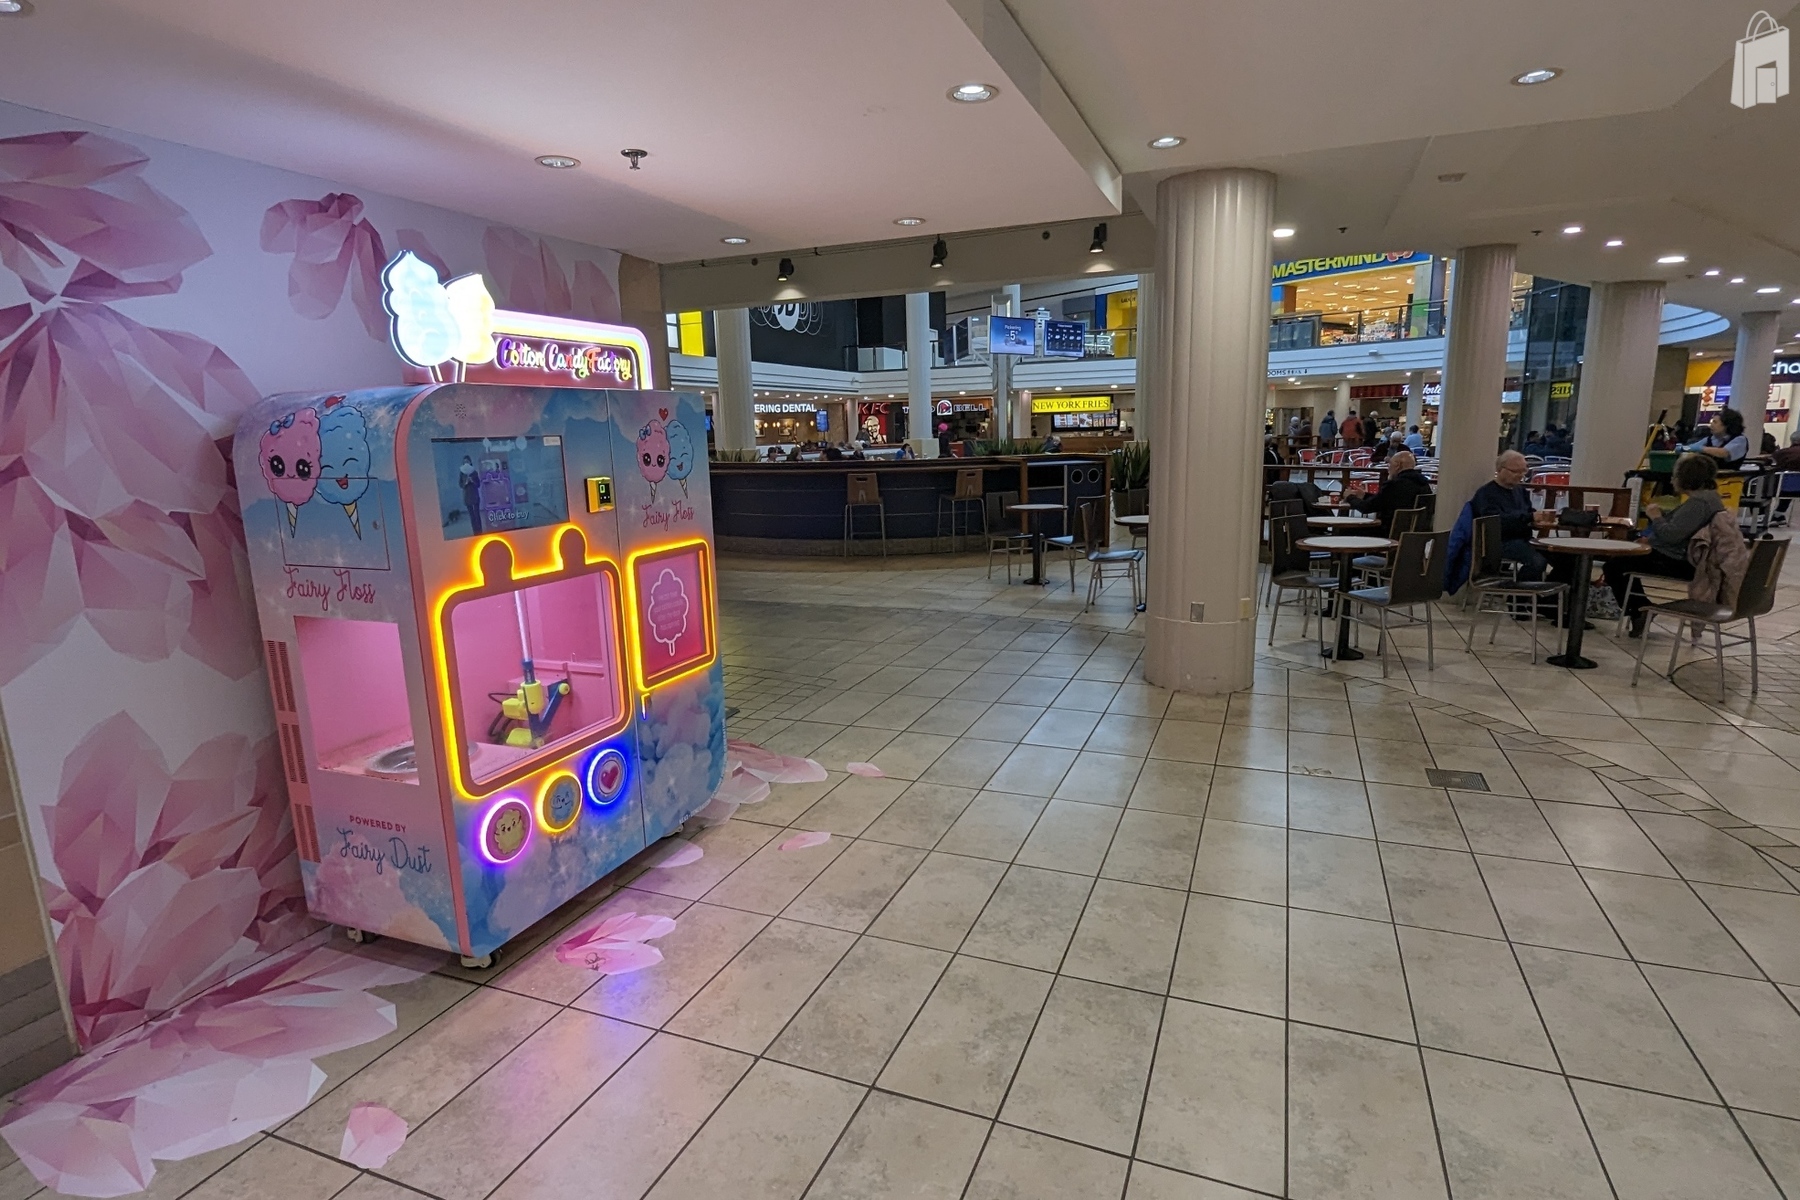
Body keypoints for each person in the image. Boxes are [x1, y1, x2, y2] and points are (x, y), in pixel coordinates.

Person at [1604, 453, 1725, 637]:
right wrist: (1650, 540)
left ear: (1685, 479)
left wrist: (1656, 517)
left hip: (1681, 562)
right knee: (1623, 560)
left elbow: (1672, 535)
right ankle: (1641, 610)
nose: (1672, 479)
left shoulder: (1698, 503)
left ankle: (1640, 610)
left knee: (1615, 565)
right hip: (1685, 556)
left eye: (1675, 475)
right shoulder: (1710, 499)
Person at [1472, 450, 1557, 580]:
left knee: (1566, 559)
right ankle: (1518, 596)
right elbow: (1496, 523)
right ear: (1500, 469)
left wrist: (1538, 520)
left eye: (1523, 472)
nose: (1520, 476)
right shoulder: (1487, 493)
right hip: (1500, 542)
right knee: (1537, 562)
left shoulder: (1520, 491)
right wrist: (1530, 517)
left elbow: (1528, 512)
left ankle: (1551, 597)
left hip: (1523, 539)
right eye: (1515, 471)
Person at [1346, 449, 1434, 536]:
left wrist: (1350, 497)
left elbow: (1366, 507)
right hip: (1414, 535)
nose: (1388, 468)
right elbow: (1385, 500)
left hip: (1388, 533)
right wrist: (1365, 495)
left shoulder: (1394, 485)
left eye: (1390, 464)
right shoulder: (1423, 484)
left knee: (1345, 531)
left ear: (1397, 465)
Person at [1684, 409, 1748, 467]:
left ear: (1726, 425)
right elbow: (1693, 446)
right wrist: (1684, 448)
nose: (1711, 425)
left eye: (1715, 422)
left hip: (1727, 476)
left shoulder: (1740, 440)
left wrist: (1701, 449)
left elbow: (1724, 453)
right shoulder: (1712, 438)